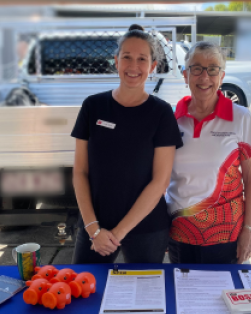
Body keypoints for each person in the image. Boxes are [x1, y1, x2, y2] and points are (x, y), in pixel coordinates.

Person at [71, 24, 183, 264]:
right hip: (94, 227)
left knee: (143, 298)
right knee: (83, 293)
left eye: (142, 59)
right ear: (116, 61)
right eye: (127, 58)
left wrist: (117, 234)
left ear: (153, 67)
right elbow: (80, 172)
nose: (134, 66)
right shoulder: (93, 106)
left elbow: (160, 181)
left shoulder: (161, 113)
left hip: (147, 229)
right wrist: (93, 229)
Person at [166, 41, 251, 264]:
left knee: (222, 296)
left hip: (225, 234)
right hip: (180, 231)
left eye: (213, 69)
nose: (204, 76)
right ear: (185, 74)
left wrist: (250, 229)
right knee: (185, 295)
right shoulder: (171, 118)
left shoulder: (241, 117)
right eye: (196, 68)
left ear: (222, 75)